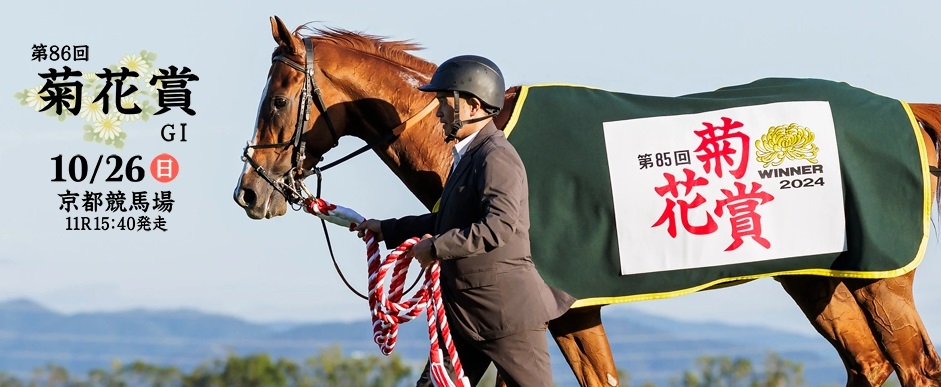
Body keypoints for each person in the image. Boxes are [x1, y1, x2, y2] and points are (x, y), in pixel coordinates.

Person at [354, 55, 575, 387]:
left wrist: (437, 248)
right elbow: (447, 219)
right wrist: (387, 229)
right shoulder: (470, 156)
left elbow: (498, 226)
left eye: (444, 102)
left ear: (472, 106)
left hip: (507, 317)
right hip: (463, 316)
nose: (439, 111)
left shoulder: (496, 157)